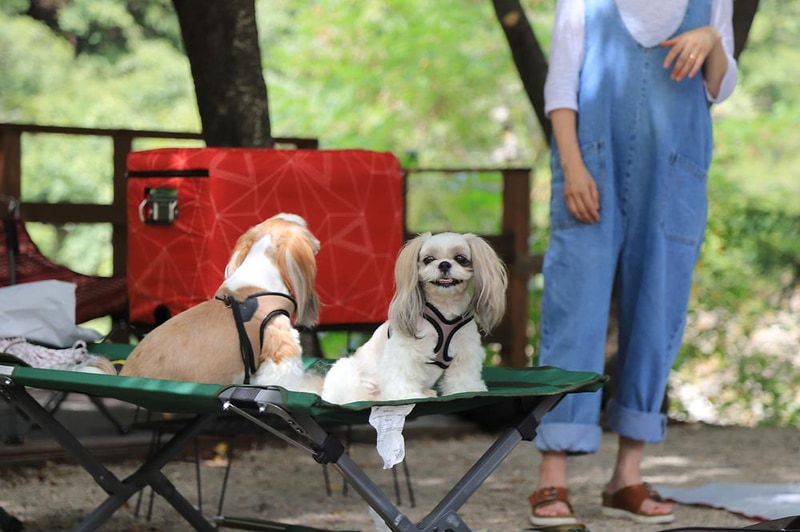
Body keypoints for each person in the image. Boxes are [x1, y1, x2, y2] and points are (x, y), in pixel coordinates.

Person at [528, 0, 738, 526]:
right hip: (589, 169)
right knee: (573, 312)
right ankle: (551, 476)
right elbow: (560, 87)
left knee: (657, 314)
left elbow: (721, 86)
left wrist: (712, 41)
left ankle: (627, 476)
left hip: (675, 175)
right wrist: (572, 167)